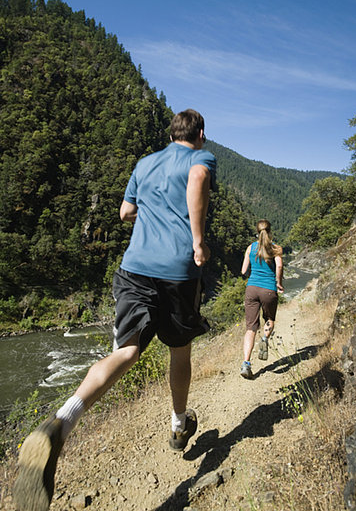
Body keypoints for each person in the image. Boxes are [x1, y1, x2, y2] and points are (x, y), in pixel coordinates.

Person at [13, 109, 216, 511]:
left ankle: (62, 422)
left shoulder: (144, 163)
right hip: (177, 272)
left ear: (170, 133)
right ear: (201, 134)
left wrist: (154, 213)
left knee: (125, 352)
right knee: (180, 350)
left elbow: (125, 212)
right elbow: (197, 182)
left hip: (133, 268)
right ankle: (178, 424)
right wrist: (196, 239)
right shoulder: (201, 158)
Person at [240, 219, 284, 379]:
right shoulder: (275, 248)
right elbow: (279, 266)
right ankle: (264, 338)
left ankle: (246, 363)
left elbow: (244, 270)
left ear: (257, 232)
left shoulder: (250, 247)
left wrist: (252, 275)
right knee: (269, 319)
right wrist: (278, 282)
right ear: (270, 231)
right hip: (268, 289)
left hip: (251, 289)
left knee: (250, 328)